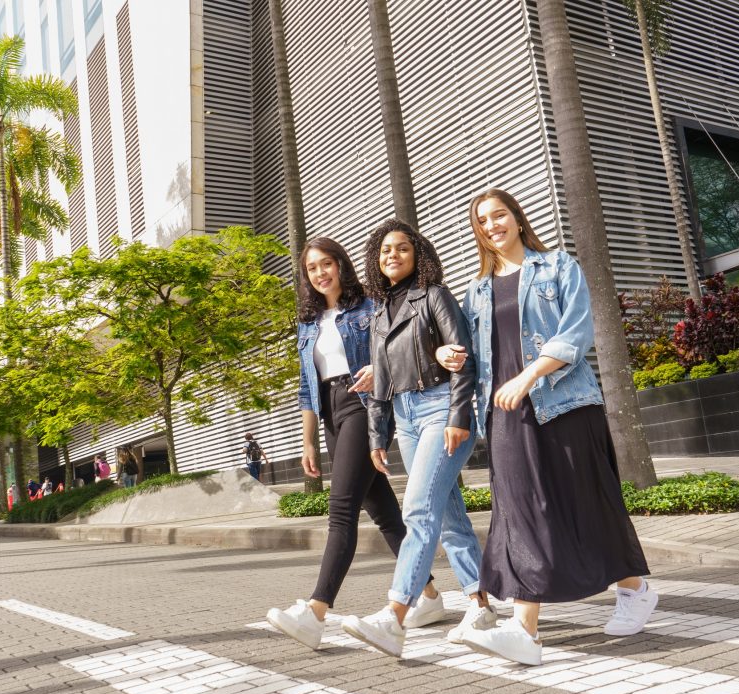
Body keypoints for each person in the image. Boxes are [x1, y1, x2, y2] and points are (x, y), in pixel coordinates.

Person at [438, 188, 655, 666]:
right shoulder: (475, 292)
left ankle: (636, 590)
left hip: (566, 406)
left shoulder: (557, 267)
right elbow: (469, 356)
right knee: (518, 510)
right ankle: (524, 631)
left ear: (517, 218)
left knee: (583, 506)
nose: (492, 225)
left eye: (499, 215)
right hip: (505, 414)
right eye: (482, 220)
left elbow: (576, 331)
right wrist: (446, 355)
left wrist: (529, 374)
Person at [266, 237, 443, 650]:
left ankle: (315, 611)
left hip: (364, 406)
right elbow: (308, 391)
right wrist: (308, 441)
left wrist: (377, 373)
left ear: (341, 265)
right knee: (383, 511)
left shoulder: (367, 307)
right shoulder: (308, 324)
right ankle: (430, 597)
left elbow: (396, 351)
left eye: (327, 263)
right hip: (331, 413)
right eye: (312, 268)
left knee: (341, 509)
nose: (320, 272)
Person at [340, 219, 494, 659]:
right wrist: (377, 436)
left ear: (418, 255)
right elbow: (379, 383)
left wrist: (459, 415)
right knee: (448, 517)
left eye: (403, 249)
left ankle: (395, 615)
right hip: (405, 419)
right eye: (385, 250)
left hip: (439, 409)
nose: (393, 255)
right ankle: (480, 605)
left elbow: (462, 357)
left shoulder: (435, 296)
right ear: (376, 259)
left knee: (418, 509)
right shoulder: (378, 314)